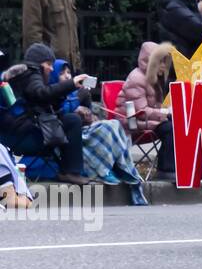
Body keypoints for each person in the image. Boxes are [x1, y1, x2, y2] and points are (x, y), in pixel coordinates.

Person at [49, 61, 144, 196]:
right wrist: (76, 104)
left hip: (83, 129)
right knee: (106, 129)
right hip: (66, 136)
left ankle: (116, 167)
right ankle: (104, 170)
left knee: (113, 124)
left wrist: (87, 109)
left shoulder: (74, 92)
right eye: (61, 73)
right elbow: (59, 113)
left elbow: (89, 112)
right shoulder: (53, 93)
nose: (66, 76)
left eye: (68, 72)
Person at [0, 43, 90, 184]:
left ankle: (68, 171)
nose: (51, 68)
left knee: (69, 119)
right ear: (38, 63)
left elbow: (40, 99)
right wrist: (71, 84)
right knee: (72, 120)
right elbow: (41, 94)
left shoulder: (21, 76)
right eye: (49, 64)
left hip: (12, 136)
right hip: (25, 137)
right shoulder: (31, 73)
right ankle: (70, 171)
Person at [119, 41, 177, 179]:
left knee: (179, 123)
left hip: (147, 119)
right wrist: (165, 113)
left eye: (165, 62)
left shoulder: (155, 78)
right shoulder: (136, 78)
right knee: (171, 129)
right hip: (131, 121)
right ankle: (165, 170)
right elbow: (141, 110)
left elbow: (155, 106)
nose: (164, 66)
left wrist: (168, 110)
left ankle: (176, 166)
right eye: (161, 62)